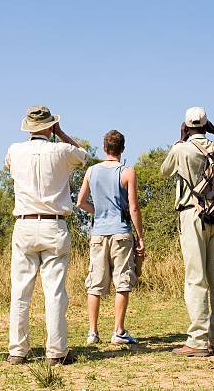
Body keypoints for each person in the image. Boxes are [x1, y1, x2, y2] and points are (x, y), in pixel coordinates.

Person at [160, 107, 214, 357]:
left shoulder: (181, 149)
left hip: (192, 214)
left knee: (196, 278)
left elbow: (165, 171)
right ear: (206, 125)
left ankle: (197, 340)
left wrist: (181, 139)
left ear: (186, 126)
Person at [5, 106, 88, 366]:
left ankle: (17, 350)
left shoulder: (14, 150)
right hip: (54, 224)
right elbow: (83, 154)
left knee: (20, 291)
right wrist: (60, 133)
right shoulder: (62, 151)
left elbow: (10, 167)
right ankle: (56, 351)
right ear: (50, 126)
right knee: (54, 292)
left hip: (25, 223)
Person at [77, 130, 145, 345]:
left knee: (95, 284)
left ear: (104, 148)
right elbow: (133, 207)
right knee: (122, 281)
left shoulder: (91, 171)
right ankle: (118, 330)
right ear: (122, 149)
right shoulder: (127, 172)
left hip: (98, 233)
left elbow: (80, 202)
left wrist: (99, 212)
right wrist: (140, 237)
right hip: (121, 232)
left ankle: (93, 332)